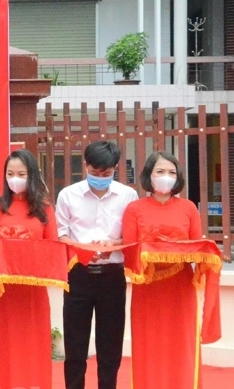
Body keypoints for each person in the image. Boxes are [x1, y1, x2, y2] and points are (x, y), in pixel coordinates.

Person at [56, 141, 138, 389]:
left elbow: (132, 237)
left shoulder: (127, 195)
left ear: (115, 169)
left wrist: (113, 243)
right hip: (78, 275)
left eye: (106, 173)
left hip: (112, 276)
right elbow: (61, 235)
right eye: (95, 172)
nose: (100, 178)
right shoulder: (68, 195)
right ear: (85, 166)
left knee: (110, 344)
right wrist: (82, 251)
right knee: (75, 344)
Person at [122, 151, 205, 389]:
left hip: (181, 286)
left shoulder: (189, 208)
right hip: (147, 286)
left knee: (183, 341)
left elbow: (196, 247)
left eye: (171, 172)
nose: (166, 176)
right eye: (160, 171)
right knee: (148, 342)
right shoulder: (134, 209)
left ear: (178, 178)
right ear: (149, 175)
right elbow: (130, 249)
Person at [0, 148, 59, 389]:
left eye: (21, 174)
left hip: (32, 292)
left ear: (32, 175)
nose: (15, 179)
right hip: (3, 292)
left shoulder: (45, 209)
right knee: (1, 344)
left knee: (31, 343)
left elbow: (52, 247)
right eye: (10, 174)